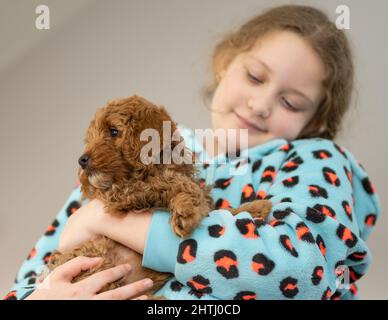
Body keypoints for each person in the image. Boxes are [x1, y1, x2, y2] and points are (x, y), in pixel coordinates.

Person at [4, 4, 381, 300]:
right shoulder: (140, 151)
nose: (262, 104)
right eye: (254, 76)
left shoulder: (313, 160)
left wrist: (108, 221)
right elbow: (29, 280)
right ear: (224, 64)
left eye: (292, 102)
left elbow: (299, 271)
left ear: (314, 124)